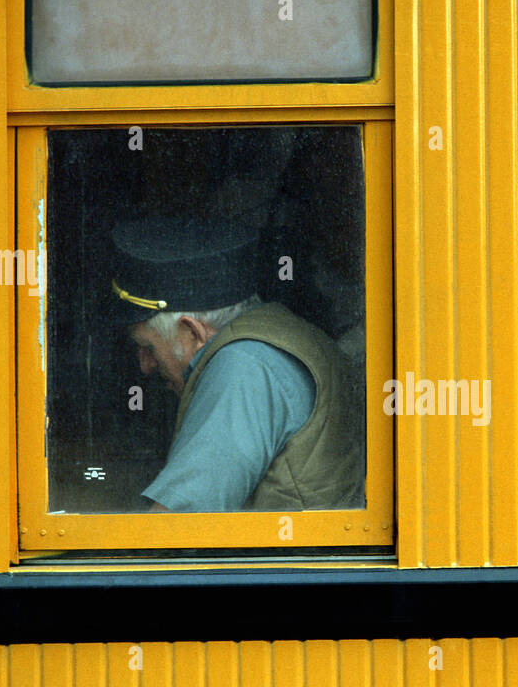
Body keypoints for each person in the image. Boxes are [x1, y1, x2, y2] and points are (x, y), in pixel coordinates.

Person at [110, 217, 363, 512]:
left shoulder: (243, 366)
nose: (145, 366)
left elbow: (182, 523)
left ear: (193, 333)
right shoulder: (279, 333)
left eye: (148, 347)